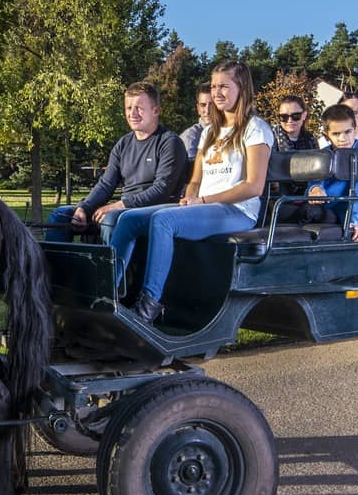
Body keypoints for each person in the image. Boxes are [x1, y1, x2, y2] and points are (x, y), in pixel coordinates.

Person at [110, 61, 272, 324]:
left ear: (241, 88)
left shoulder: (256, 129)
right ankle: (109, 295)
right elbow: (196, 179)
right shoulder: (209, 131)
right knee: (128, 219)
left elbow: (254, 186)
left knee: (163, 220)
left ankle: (149, 305)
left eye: (224, 86)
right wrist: (190, 197)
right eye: (214, 86)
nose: (217, 93)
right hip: (203, 206)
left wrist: (203, 200)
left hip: (237, 211)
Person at [42, 82, 188, 243]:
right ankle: (54, 268)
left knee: (110, 219)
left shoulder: (169, 143)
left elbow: (162, 189)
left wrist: (119, 205)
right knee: (60, 216)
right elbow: (106, 184)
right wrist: (84, 208)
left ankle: (110, 267)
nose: (132, 113)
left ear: (156, 111)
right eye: (128, 108)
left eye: (139, 108)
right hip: (124, 207)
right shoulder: (123, 144)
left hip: (155, 210)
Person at [283, 103, 358, 239]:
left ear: (355, 129)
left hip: (351, 213)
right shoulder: (324, 154)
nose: (342, 138)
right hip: (330, 211)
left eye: (347, 132)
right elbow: (315, 180)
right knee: (289, 210)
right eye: (336, 134)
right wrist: (315, 189)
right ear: (326, 135)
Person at [180, 83, 212, 162]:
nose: (207, 111)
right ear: (198, 108)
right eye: (203, 105)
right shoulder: (190, 137)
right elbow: (190, 171)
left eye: (212, 105)